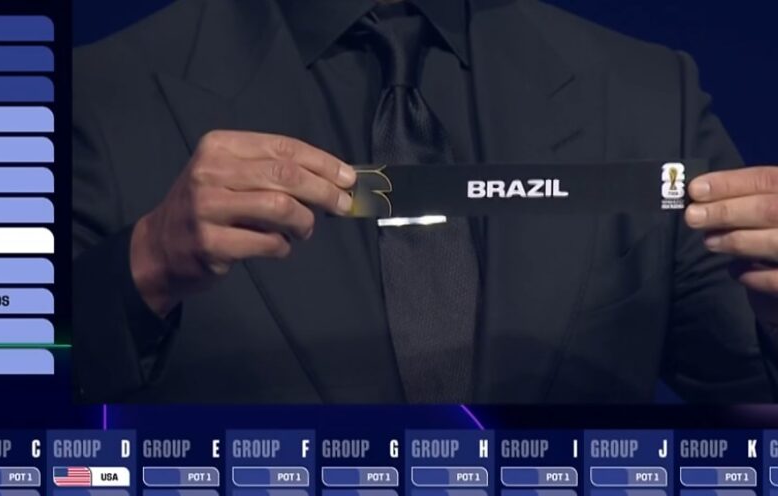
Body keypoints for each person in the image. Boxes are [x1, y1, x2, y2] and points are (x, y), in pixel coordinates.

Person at [72, 0, 778, 403]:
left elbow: (751, 403)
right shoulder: (93, 97)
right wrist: (144, 267)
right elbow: (11, 409)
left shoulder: (648, 93)